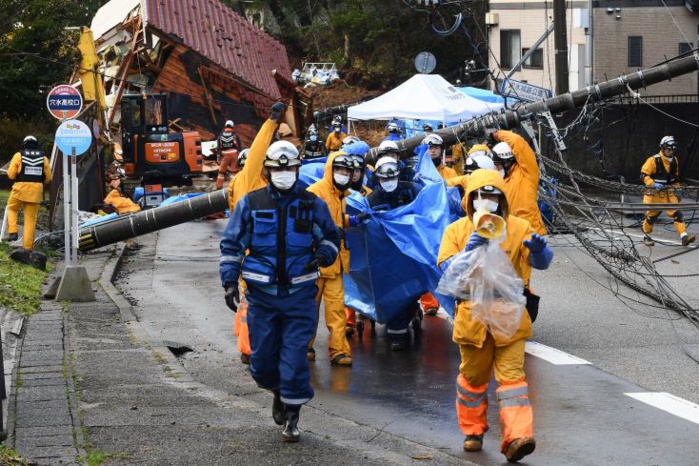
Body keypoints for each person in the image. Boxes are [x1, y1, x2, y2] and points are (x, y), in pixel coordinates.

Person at [220, 140, 341, 442]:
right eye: (279, 168)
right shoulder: (252, 203)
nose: (285, 172)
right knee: (261, 362)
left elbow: (330, 237)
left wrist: (325, 254)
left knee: (295, 358)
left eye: (290, 168)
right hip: (262, 297)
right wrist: (229, 282)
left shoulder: (311, 204)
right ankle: (277, 391)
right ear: (268, 170)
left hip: (300, 295)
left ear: (298, 169)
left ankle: (293, 414)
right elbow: (232, 244)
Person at [437, 168, 553, 463]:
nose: (486, 201)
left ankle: (517, 437)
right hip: (472, 317)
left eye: (493, 195)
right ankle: (473, 431)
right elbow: (446, 272)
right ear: (470, 199)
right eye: (480, 195)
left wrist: (541, 252)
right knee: (473, 378)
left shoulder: (518, 227)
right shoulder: (456, 231)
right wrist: (470, 247)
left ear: (503, 198)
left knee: (513, 378)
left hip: (509, 317)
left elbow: (541, 264)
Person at [227, 103, 287, 365]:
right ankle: (251, 351)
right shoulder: (249, 179)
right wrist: (271, 123)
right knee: (253, 303)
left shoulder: (260, 183)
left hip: (261, 250)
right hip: (254, 252)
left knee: (254, 304)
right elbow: (257, 153)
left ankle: (253, 345)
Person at [307, 152, 360, 366]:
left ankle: (338, 350)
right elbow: (307, 223)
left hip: (336, 262)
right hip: (315, 263)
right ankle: (304, 347)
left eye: (347, 171)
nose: (343, 174)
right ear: (331, 169)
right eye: (339, 169)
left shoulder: (341, 196)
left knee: (336, 310)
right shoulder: (314, 193)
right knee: (308, 308)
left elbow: (336, 221)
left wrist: (352, 221)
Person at [367, 156, 423, 350]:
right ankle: (397, 331)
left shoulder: (412, 190)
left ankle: (410, 312)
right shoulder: (372, 199)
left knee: (412, 286)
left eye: (391, 178)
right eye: (383, 179)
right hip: (385, 253)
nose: (388, 182)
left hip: (410, 250)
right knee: (391, 288)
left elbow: (426, 209)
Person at [641, 136, 696, 246]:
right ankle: (646, 236)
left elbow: (674, 178)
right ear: (662, 148)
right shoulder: (653, 160)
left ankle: (684, 236)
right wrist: (652, 184)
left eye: (672, 150)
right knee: (652, 217)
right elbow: (643, 175)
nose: (671, 152)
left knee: (677, 213)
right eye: (668, 149)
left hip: (669, 193)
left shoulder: (674, 160)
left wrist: (678, 189)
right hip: (655, 195)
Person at [489, 131, 547, 236]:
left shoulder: (527, 173)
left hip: (531, 233)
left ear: (507, 162)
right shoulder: (501, 180)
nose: (495, 168)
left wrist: (497, 134)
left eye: (497, 165)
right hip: (512, 235)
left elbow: (517, 142)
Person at [5, 136, 52, 250]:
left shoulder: (18, 155)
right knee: (30, 220)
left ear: (24, 144)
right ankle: (27, 249)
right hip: (36, 191)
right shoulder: (44, 158)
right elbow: (48, 178)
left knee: (12, 208)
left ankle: (13, 232)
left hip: (19, 189)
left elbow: (11, 175)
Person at [216, 120, 243, 189]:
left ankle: (219, 187)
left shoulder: (220, 136)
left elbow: (218, 148)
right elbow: (239, 147)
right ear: (232, 126)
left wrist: (219, 157)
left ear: (225, 126)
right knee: (233, 172)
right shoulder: (235, 135)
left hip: (225, 156)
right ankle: (233, 187)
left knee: (221, 173)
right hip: (234, 155)